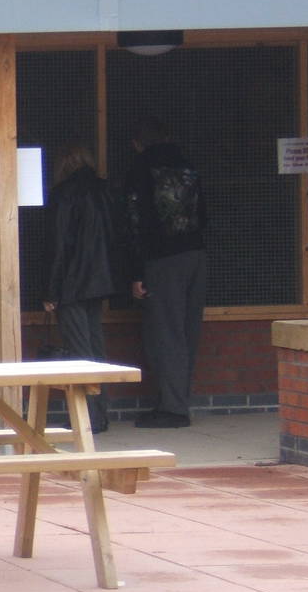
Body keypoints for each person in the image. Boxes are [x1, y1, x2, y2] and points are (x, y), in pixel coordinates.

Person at [123, 117, 208, 428]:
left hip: (163, 259)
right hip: (196, 255)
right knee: (188, 331)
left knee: (165, 332)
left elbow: (136, 222)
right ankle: (179, 401)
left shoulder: (141, 168)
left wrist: (136, 271)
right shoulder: (188, 165)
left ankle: (173, 409)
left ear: (137, 143)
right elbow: (203, 213)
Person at [40, 143, 118, 433]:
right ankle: (100, 413)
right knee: (96, 346)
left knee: (80, 350)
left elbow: (59, 246)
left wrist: (51, 291)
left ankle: (89, 418)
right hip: (100, 280)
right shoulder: (103, 190)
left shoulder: (64, 194)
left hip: (72, 282)